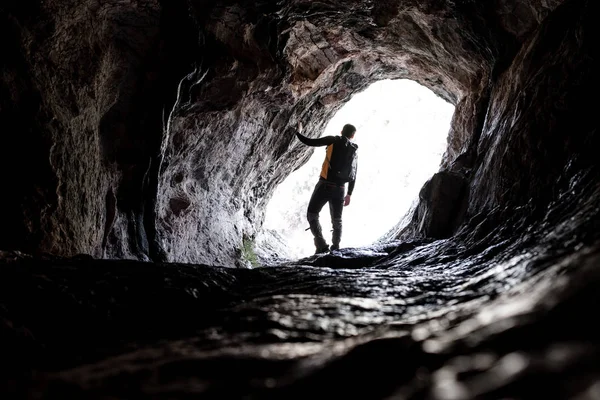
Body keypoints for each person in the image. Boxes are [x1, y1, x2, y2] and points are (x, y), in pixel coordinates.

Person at [296, 122, 358, 254]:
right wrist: (349, 194)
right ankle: (335, 247)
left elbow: (309, 142)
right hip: (341, 189)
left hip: (325, 185)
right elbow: (354, 174)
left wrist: (298, 131)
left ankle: (321, 244)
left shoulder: (333, 140)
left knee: (312, 213)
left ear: (341, 131)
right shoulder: (353, 150)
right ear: (353, 135)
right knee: (337, 219)